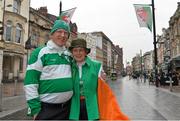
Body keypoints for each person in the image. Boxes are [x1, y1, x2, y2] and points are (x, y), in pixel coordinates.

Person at [24, 19, 73, 120]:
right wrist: (35, 109)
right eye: (59, 31)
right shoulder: (40, 52)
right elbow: (30, 82)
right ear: (52, 34)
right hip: (46, 110)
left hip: (67, 109)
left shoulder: (69, 54)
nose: (63, 35)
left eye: (65, 33)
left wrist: (99, 72)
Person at [68, 38, 103, 120]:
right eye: (75, 50)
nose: (78, 53)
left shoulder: (97, 66)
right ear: (72, 52)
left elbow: (102, 89)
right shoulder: (69, 66)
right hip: (74, 107)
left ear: (86, 52)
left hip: (92, 106)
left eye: (81, 50)